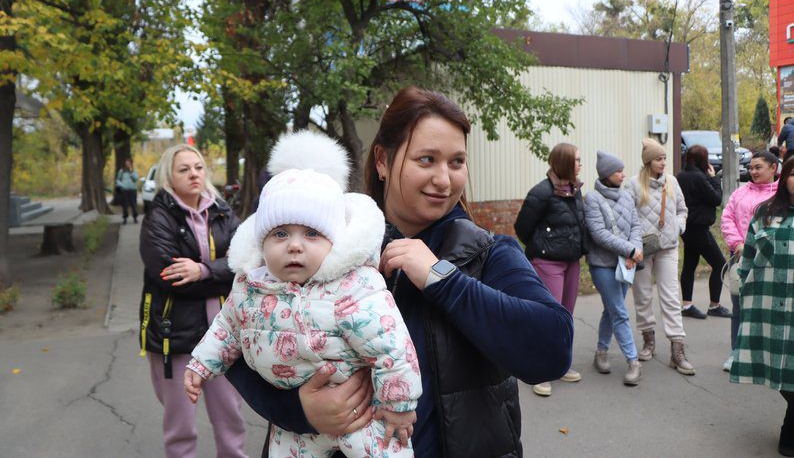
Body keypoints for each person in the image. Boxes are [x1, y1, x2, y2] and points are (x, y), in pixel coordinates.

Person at [224, 86, 573, 458]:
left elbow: (552, 351)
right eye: (426, 159)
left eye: (456, 162)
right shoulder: (314, 246)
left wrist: (443, 281)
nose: (444, 179)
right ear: (382, 161)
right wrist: (300, 410)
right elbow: (236, 347)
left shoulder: (488, 254)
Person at [185, 131, 420, 457]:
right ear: (260, 243)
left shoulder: (354, 286)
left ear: (334, 241)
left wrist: (399, 404)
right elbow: (226, 329)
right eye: (280, 233)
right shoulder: (248, 287)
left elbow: (392, 347)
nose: (295, 245)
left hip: (364, 417)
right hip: (292, 425)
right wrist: (201, 365)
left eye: (311, 233)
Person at [139, 144, 247, 458]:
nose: (193, 174)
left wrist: (201, 271)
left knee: (230, 415)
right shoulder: (158, 217)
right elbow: (169, 276)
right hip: (176, 334)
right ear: (169, 177)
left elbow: (247, 259)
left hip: (223, 334)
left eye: (198, 167)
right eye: (184, 169)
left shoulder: (222, 210)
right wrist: (220, 275)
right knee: (180, 424)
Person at [729, 156, 794, 457]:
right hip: (769, 306)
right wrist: (742, 287)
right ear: (785, 177)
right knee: (778, 370)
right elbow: (749, 256)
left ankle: (789, 429)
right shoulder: (766, 213)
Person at [513, 142, 587, 396]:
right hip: (548, 263)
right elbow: (522, 227)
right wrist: (541, 247)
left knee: (566, 315)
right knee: (548, 318)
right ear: (565, 162)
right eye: (577, 160)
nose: (580, 164)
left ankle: (560, 365)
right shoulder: (541, 192)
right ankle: (539, 371)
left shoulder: (574, 190)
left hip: (572, 262)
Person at [627, 138, 693, 375]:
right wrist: (632, 246)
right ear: (648, 162)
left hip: (668, 247)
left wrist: (679, 226)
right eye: (658, 159)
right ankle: (648, 340)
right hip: (642, 249)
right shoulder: (634, 185)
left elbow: (683, 209)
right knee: (642, 295)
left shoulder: (672, 181)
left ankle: (677, 349)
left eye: (664, 158)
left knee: (671, 296)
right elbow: (628, 217)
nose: (663, 162)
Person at [583, 151, 643, 386]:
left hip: (626, 263)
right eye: (619, 171)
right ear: (607, 174)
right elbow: (599, 234)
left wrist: (634, 253)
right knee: (619, 311)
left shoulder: (627, 196)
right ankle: (633, 362)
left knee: (610, 310)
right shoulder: (592, 199)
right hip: (602, 265)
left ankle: (601, 353)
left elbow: (635, 226)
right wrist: (629, 250)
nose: (624, 174)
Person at [720, 150, 779, 372]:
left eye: (758, 167)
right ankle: (736, 352)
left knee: (770, 309)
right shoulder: (740, 193)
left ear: (773, 168)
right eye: (751, 168)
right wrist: (737, 244)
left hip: (772, 260)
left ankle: (768, 354)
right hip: (741, 257)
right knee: (739, 306)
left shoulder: (783, 194)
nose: (753, 171)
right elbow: (727, 218)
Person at [676, 145, 729, 319]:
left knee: (690, 265)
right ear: (703, 160)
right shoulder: (699, 177)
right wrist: (714, 178)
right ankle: (714, 305)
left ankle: (687, 305)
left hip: (687, 226)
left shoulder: (681, 175)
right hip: (699, 227)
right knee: (720, 263)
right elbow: (715, 199)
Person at [116, 158, 139, 224]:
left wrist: (131, 172)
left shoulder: (134, 171)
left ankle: (135, 217)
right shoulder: (121, 171)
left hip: (132, 190)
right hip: (124, 190)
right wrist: (121, 185)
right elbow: (118, 180)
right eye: (126, 163)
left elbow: (136, 179)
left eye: (128, 163)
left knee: (133, 204)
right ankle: (125, 218)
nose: (127, 165)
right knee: (125, 205)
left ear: (131, 164)